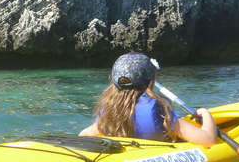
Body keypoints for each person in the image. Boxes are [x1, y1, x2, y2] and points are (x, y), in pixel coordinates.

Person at [79, 52, 217, 147]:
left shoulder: (109, 111)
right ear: (151, 81)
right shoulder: (158, 110)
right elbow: (209, 140)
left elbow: (84, 134)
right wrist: (205, 112)